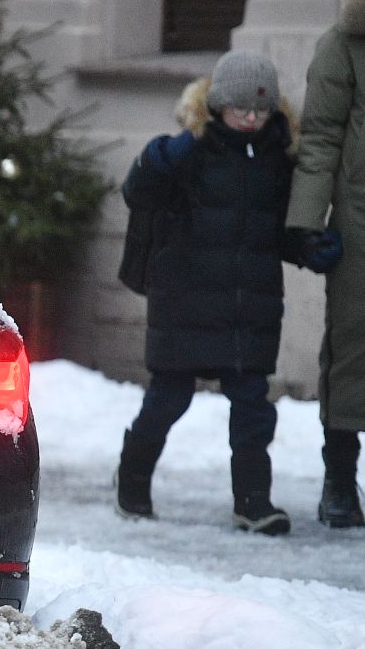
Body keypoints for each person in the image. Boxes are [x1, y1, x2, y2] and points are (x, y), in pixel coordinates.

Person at [114, 50, 314, 536]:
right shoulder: (190, 151)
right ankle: (133, 478)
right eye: (242, 110)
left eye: (262, 112)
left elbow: (281, 229)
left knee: (252, 406)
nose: (252, 120)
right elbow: (137, 190)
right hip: (185, 301)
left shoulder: (279, 160)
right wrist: (164, 155)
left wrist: (313, 249)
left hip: (249, 307)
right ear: (218, 105)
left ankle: (253, 501)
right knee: (168, 398)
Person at [286, 0, 365, 528]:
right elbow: (321, 138)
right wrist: (305, 226)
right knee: (354, 359)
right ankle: (339, 483)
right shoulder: (345, 46)